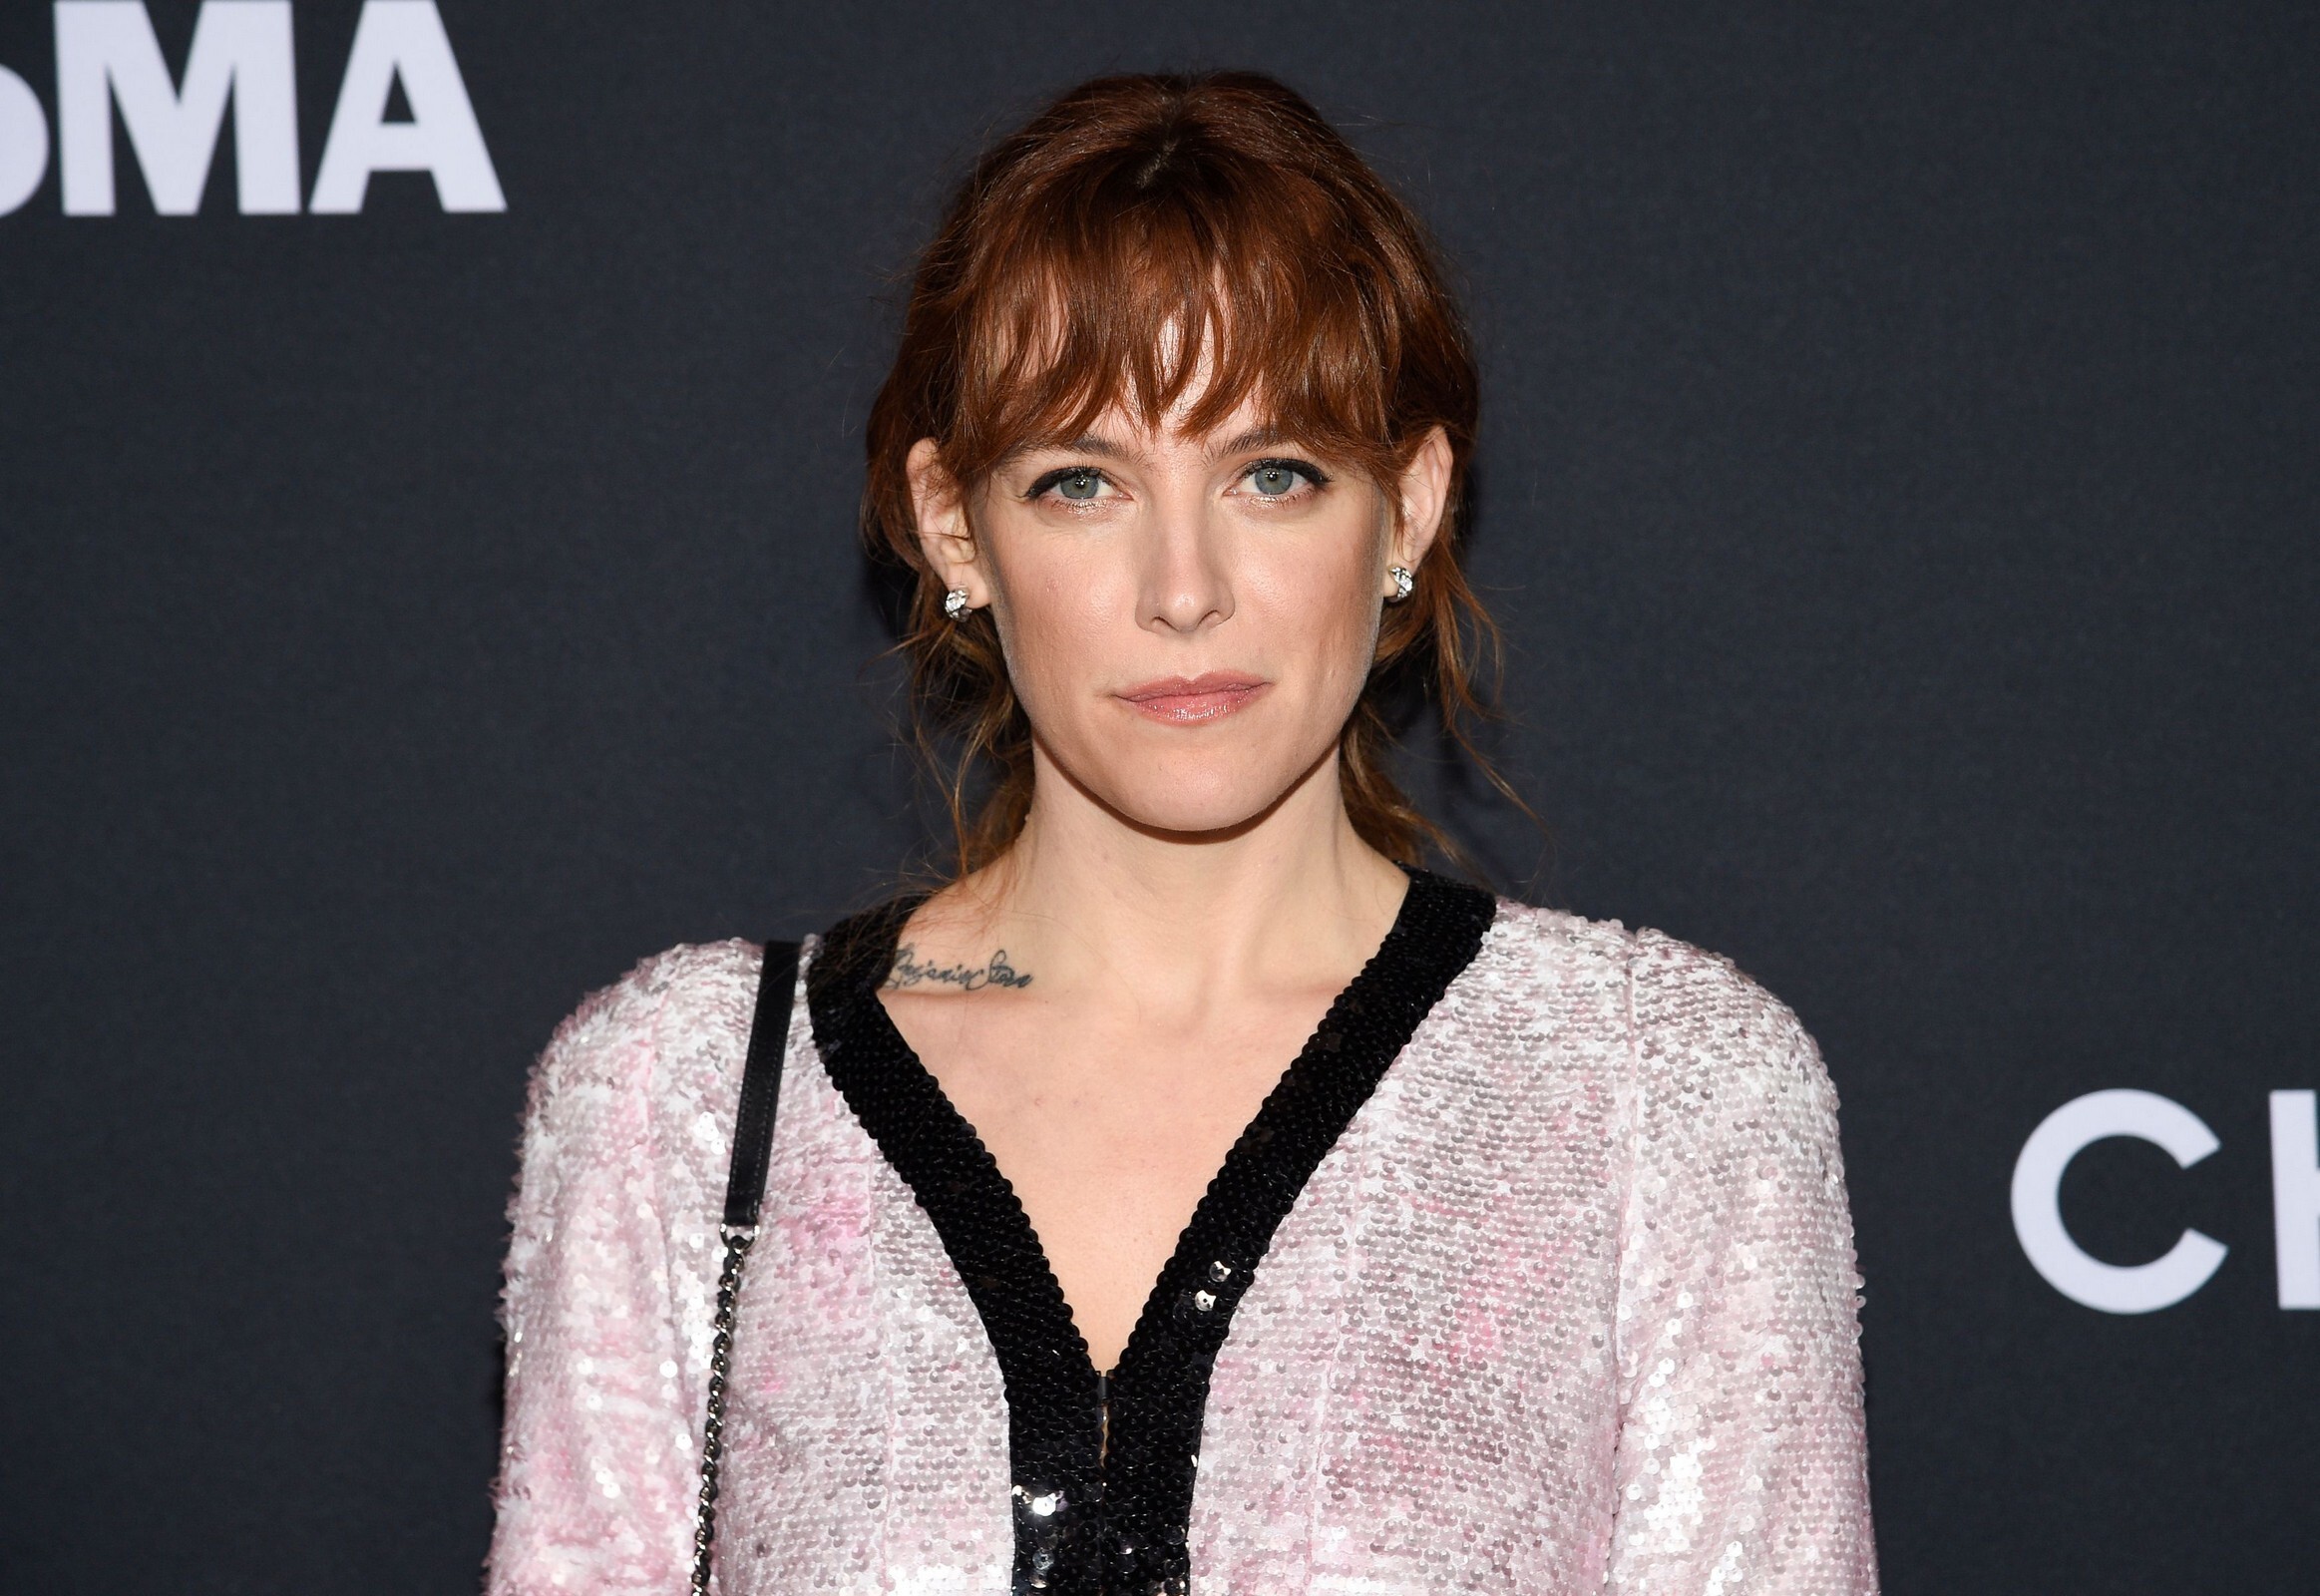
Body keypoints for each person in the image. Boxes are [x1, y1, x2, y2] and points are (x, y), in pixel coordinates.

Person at [485, 72, 1876, 1596]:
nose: (1183, 590)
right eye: (1079, 482)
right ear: (955, 527)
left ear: (1409, 506)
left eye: (1273, 474)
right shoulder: (680, 1099)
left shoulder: (1654, 1095)